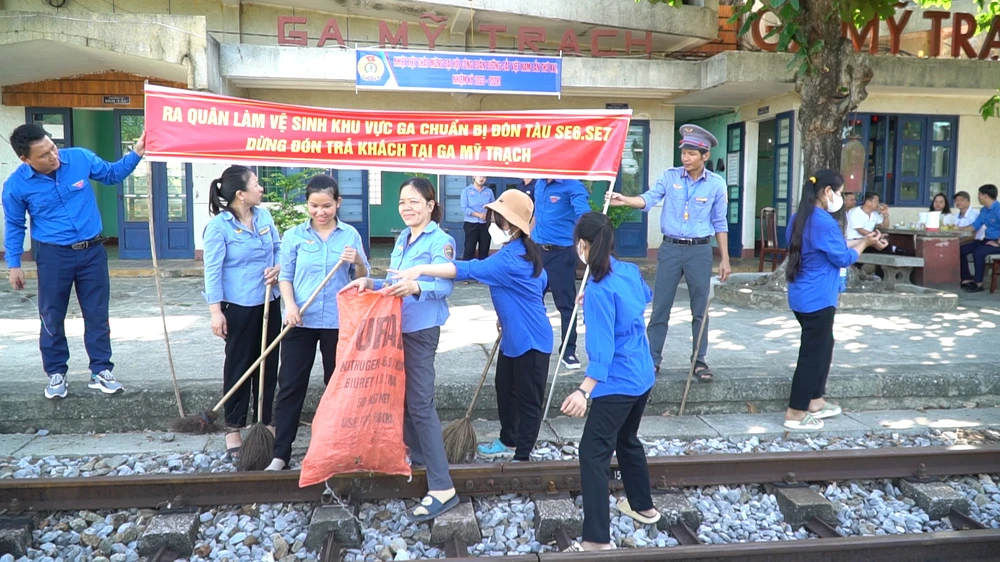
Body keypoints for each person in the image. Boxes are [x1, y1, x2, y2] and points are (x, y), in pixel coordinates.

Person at [389, 190, 552, 462]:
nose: (491, 224)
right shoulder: (520, 252)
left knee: (528, 399)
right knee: (504, 390)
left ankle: (522, 454)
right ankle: (508, 439)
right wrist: (507, 316)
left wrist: (422, 269)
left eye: (495, 219)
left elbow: (465, 270)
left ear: (509, 225)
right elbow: (538, 286)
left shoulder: (509, 259)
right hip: (513, 337)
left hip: (532, 341)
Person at [343, 177, 458, 522]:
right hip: (398, 327)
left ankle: (443, 487)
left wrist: (417, 286)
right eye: (402, 202)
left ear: (430, 204)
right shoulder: (403, 238)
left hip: (421, 330)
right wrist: (370, 282)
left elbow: (445, 284)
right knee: (404, 398)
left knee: (421, 404)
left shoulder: (442, 240)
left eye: (414, 202)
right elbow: (394, 282)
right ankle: (421, 457)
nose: (407, 208)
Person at [3, 123, 146, 399]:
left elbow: (112, 174)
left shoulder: (79, 158)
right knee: (51, 315)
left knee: (97, 313)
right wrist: (14, 264)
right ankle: (56, 373)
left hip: (92, 251)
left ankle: (101, 370)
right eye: (44, 155)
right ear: (25, 159)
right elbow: (14, 224)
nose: (53, 156)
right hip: (53, 254)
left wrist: (136, 153)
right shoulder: (16, 186)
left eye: (52, 147)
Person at [560, 212, 659, 552]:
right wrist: (593, 299)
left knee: (592, 453)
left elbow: (601, 351)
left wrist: (583, 390)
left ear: (583, 245)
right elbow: (643, 297)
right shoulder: (627, 271)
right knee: (627, 438)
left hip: (617, 382)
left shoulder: (600, 290)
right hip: (643, 373)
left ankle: (597, 539)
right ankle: (643, 506)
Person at [610, 124, 731, 382]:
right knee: (660, 308)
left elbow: (720, 223)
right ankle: (652, 359)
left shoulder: (717, 185)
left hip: (700, 251)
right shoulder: (670, 177)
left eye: (692, 153)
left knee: (700, 310)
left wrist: (726, 260)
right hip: (670, 249)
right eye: (684, 153)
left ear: (705, 155)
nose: (686, 158)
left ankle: (698, 360)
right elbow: (649, 199)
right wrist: (626, 199)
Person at [265, 175, 370, 471]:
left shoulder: (350, 235)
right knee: (290, 385)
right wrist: (291, 306)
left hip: (338, 321)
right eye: (314, 205)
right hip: (300, 321)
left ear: (337, 203)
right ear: (307, 205)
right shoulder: (295, 235)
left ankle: (337, 447)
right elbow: (285, 276)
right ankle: (280, 453)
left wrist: (357, 261)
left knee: (336, 385)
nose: (320, 211)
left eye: (326, 205)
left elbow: (362, 277)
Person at [783, 171, 887, 430]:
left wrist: (863, 239)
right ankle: (795, 412)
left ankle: (816, 400)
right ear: (827, 191)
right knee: (812, 355)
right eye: (840, 193)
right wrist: (865, 244)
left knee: (825, 344)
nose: (841, 198)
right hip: (818, 298)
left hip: (801, 295)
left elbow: (833, 245)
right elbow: (843, 258)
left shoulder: (800, 217)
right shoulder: (824, 221)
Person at [202, 165, 281, 460]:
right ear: (240, 194)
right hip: (237, 306)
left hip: (268, 301)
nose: (261, 189)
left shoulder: (264, 216)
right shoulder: (219, 227)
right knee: (239, 367)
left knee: (269, 364)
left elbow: (279, 247)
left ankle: (266, 424)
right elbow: (212, 272)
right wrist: (215, 312)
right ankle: (233, 427)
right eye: (256, 184)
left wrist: (279, 268)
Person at [531, 178, 591, 370]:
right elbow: (535, 215)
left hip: (561, 253)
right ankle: (532, 345)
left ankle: (568, 350)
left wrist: (590, 235)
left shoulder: (572, 185)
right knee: (531, 300)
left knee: (566, 305)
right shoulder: (539, 183)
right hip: (537, 251)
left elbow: (583, 214)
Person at [957, 184, 1000, 293]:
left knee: (979, 252)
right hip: (987, 240)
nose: (978, 197)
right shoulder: (984, 211)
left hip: (997, 243)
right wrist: (956, 230)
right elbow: (974, 226)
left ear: (985, 196)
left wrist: (998, 243)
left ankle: (978, 283)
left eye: (979, 194)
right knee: (961, 249)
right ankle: (966, 279)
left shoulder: (998, 209)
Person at [460, 176, 494, 263]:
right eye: (480, 176)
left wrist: (488, 215)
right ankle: (466, 273)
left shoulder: (489, 191)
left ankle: (482, 274)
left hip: (485, 224)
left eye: (484, 177)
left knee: (484, 251)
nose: (482, 178)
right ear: (474, 177)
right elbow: (464, 207)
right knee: (469, 250)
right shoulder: (466, 191)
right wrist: (478, 215)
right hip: (471, 224)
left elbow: (493, 206)